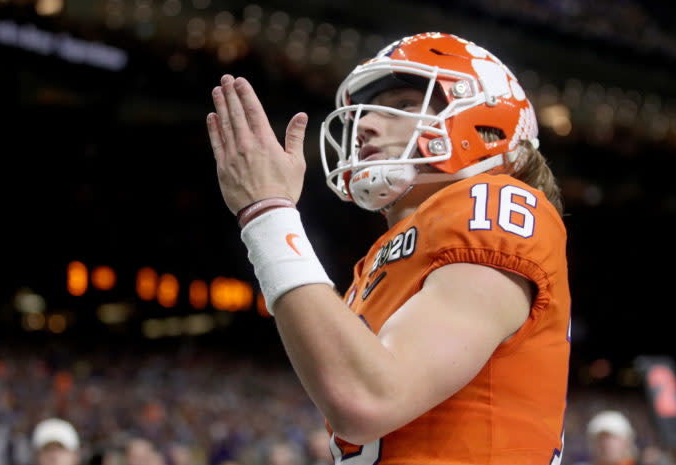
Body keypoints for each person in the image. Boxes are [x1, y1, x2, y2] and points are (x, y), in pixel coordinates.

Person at [207, 32, 570, 464]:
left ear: (485, 120)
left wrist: (267, 213)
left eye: (403, 105)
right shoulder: (382, 257)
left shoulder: (495, 205)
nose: (363, 125)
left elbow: (369, 398)